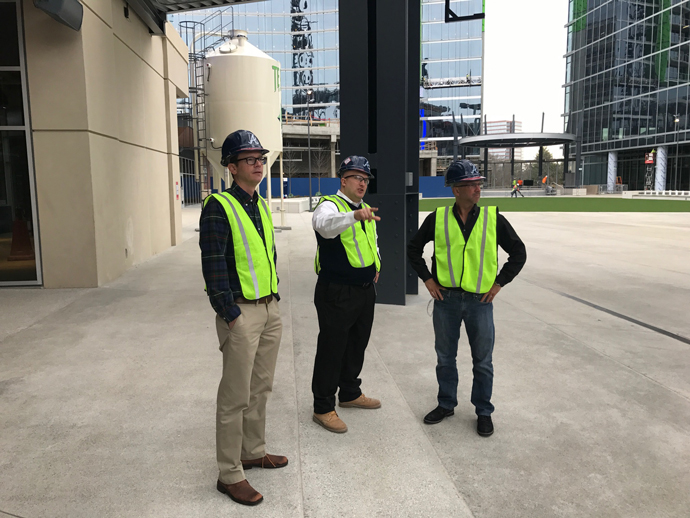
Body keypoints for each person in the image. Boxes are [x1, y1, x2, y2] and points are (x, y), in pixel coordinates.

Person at [407, 159, 526, 437]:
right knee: (445, 357)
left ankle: (483, 411)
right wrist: (427, 279)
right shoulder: (437, 218)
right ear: (455, 190)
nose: (477, 188)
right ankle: (446, 404)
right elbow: (413, 248)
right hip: (445, 300)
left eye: (478, 183)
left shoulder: (493, 218)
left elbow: (518, 253)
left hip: (479, 302)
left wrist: (498, 284)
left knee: (482, 360)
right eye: (470, 184)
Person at [199, 130, 286, 507]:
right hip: (241, 313)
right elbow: (213, 262)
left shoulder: (260, 205)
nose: (258, 164)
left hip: (269, 309)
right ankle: (230, 473)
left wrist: (274, 299)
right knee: (234, 396)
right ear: (232, 167)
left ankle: (253, 451)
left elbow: (266, 254)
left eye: (261, 158)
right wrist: (228, 312)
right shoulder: (219, 205)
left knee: (260, 388)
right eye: (250, 159)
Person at [310, 156, 382, 434]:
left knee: (356, 344)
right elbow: (324, 227)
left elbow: (373, 242)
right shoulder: (329, 205)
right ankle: (323, 407)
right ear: (343, 181)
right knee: (332, 349)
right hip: (336, 292)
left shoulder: (364, 208)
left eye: (365, 179)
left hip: (364, 291)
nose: (363, 183)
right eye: (357, 178)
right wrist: (353, 215)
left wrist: (377, 265)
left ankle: (350, 392)